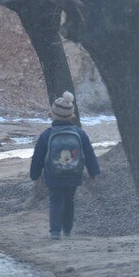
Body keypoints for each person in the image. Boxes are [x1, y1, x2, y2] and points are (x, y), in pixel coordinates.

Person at [30, 91, 100, 240]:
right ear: (71, 116)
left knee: (55, 200)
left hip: (53, 175)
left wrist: (34, 174)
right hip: (74, 174)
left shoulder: (46, 135)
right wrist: (94, 172)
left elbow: (38, 156)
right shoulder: (80, 133)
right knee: (69, 200)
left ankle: (55, 232)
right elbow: (89, 153)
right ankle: (67, 230)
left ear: (52, 115)